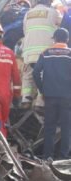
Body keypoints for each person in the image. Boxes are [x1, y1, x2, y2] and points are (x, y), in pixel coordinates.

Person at [33, 28, 71, 159]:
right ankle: (64, 157)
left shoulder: (46, 53)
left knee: (50, 127)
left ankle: (48, 156)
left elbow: (35, 72)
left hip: (50, 96)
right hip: (67, 96)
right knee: (67, 127)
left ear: (54, 39)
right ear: (67, 39)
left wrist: (42, 89)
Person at [21, 0, 62, 108]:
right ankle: (40, 102)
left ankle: (26, 98)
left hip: (28, 51)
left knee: (28, 74)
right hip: (45, 51)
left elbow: (25, 31)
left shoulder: (28, 14)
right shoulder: (53, 12)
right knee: (45, 75)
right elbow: (62, 27)